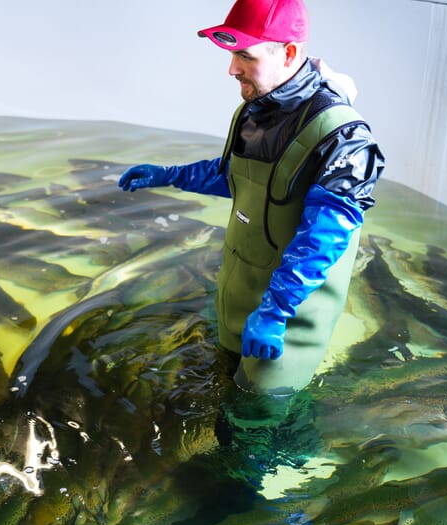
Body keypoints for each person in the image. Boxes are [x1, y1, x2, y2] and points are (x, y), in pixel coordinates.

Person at [118, 0, 385, 405]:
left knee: (255, 424)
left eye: (245, 55)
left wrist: (275, 313)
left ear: (289, 53)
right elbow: (240, 178)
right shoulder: (256, 110)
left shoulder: (342, 138)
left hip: (286, 323)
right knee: (222, 397)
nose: (232, 68)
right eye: (232, 54)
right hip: (238, 299)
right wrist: (169, 175)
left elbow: (323, 239)